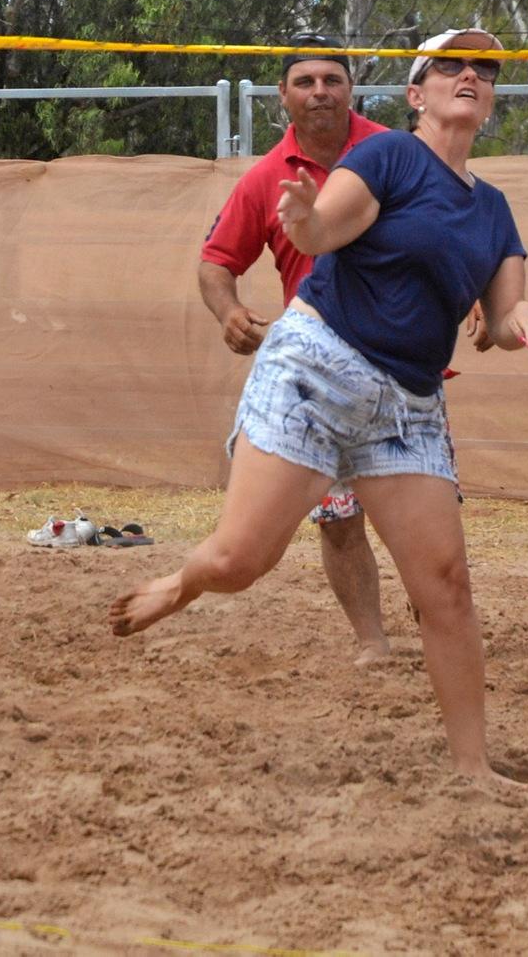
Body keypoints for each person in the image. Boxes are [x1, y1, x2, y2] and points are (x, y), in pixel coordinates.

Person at [113, 26, 528, 790]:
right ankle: (181, 582)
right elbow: (324, 230)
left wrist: (522, 324)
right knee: (241, 561)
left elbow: (503, 319)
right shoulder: (387, 156)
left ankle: (472, 766)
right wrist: (302, 217)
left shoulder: (496, 213)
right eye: (451, 64)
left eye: (484, 67)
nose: (470, 74)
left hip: (408, 402)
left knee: (445, 585)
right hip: (319, 366)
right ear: (417, 95)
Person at [198, 36, 397, 663]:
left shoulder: (395, 152)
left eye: (332, 80)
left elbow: (452, 227)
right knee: (338, 516)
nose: (319, 92)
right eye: (305, 81)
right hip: (316, 373)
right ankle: (374, 644)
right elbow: (215, 263)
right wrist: (229, 312)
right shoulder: (265, 177)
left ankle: (443, 629)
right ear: (283, 96)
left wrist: (478, 297)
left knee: (422, 512)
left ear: (350, 90)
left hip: (403, 364)